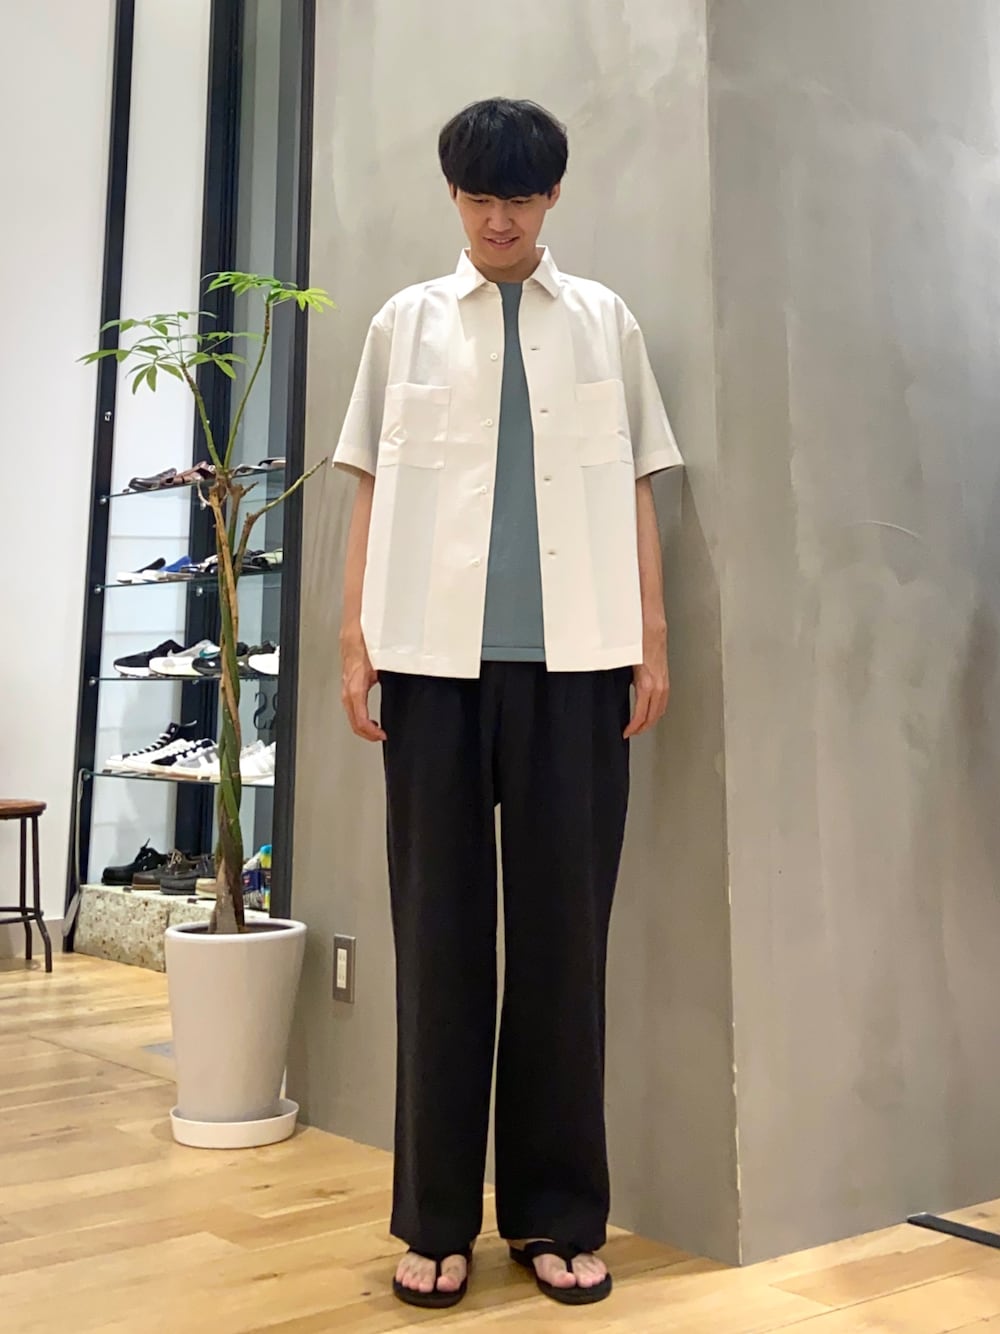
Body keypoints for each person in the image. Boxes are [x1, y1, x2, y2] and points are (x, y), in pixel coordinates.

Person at [335, 97, 682, 1310]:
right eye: (479, 197)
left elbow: (637, 482)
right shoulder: (404, 325)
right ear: (454, 197)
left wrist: (649, 637)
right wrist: (352, 637)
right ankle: (434, 1215)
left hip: (578, 670)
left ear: (551, 199)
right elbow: (368, 484)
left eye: (519, 197)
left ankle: (554, 1212)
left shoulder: (604, 323)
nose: (498, 218)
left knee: (562, 949)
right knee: (436, 942)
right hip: (429, 669)